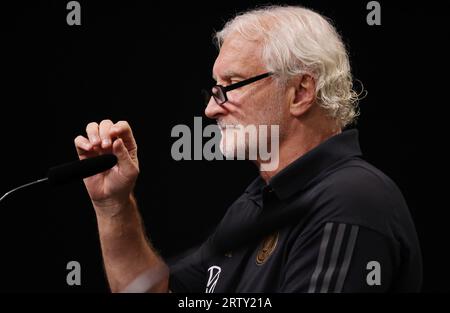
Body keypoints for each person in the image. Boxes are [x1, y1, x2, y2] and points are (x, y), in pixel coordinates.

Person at [74, 5, 422, 293]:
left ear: (300, 92)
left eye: (232, 84)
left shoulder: (349, 200)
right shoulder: (256, 202)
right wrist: (113, 206)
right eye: (215, 87)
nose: (210, 109)